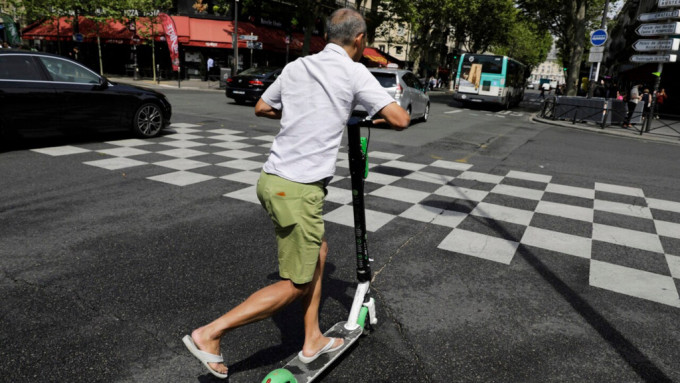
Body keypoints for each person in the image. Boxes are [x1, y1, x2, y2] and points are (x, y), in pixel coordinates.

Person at [181, 8, 410, 380]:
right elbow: (399, 119)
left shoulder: (298, 66)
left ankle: (313, 339)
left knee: (318, 252)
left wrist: (304, 117)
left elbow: (262, 107)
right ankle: (210, 334)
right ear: (360, 40)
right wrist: (356, 116)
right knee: (296, 284)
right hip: (299, 189)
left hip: (272, 180)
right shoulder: (354, 71)